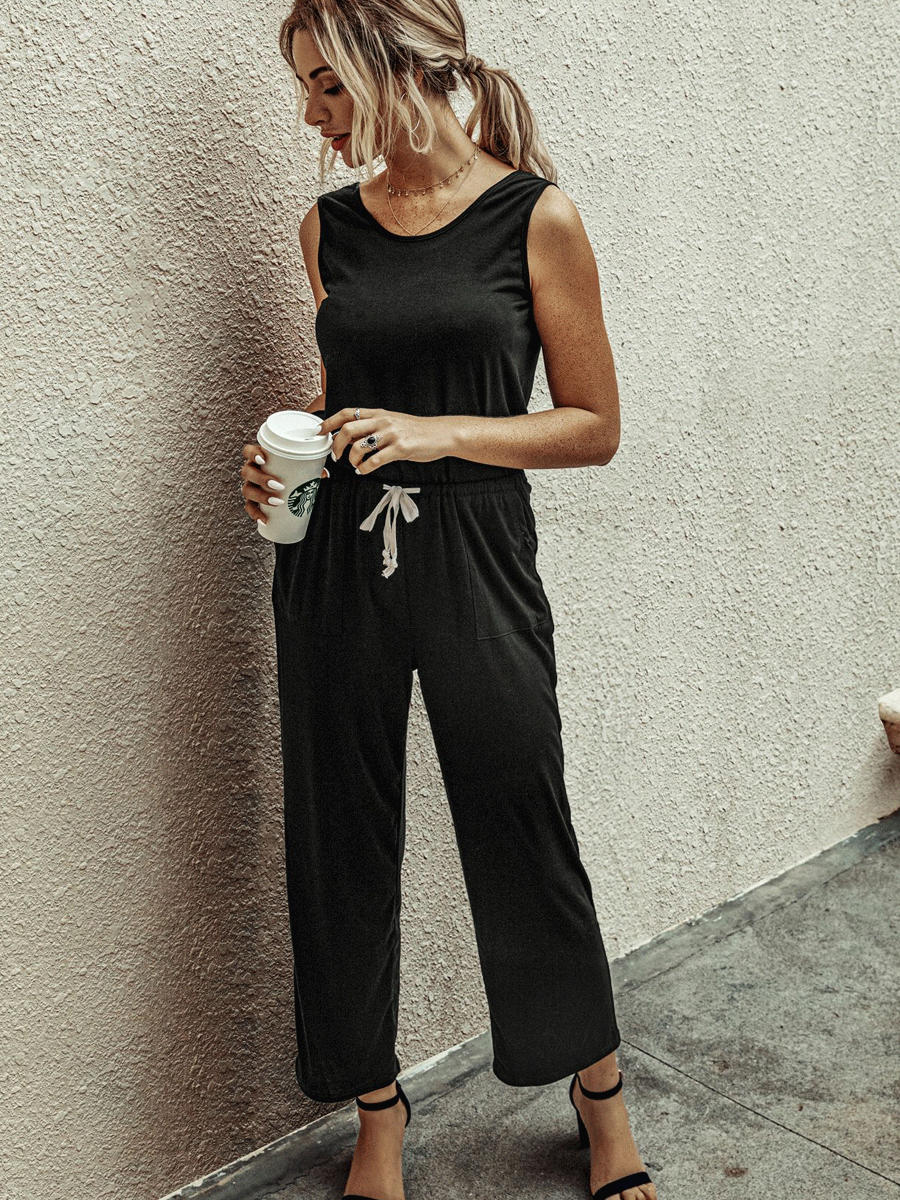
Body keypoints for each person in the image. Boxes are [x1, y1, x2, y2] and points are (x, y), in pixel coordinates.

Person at [239, 3, 657, 1198]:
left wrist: (437, 433)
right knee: (339, 833)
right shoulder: (327, 228)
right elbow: (346, 396)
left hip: (476, 549)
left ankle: (598, 1092)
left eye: (327, 84)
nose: (312, 114)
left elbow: (593, 425)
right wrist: (284, 458)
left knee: (523, 817)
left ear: (394, 68)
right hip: (334, 561)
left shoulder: (534, 216)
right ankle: (377, 1109)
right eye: (305, 87)